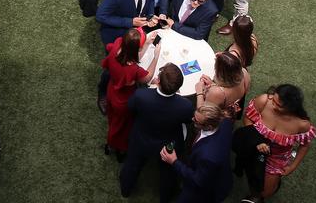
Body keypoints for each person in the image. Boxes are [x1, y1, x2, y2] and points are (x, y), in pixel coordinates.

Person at [119, 63, 194, 198]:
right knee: (168, 174)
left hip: (141, 139)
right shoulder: (186, 106)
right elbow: (188, 121)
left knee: (132, 165)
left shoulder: (141, 95)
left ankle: (125, 189)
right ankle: (166, 196)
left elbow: (130, 108)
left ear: (158, 80)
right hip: (168, 145)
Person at [234, 84, 316, 201]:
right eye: (273, 99)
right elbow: (248, 118)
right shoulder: (264, 101)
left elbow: (305, 145)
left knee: (266, 192)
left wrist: (292, 167)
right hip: (253, 147)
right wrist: (256, 141)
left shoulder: (302, 124)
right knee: (251, 175)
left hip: (276, 157)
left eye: (278, 105)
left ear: (291, 108)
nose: (272, 105)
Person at [101, 28, 163, 158]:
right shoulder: (133, 69)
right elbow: (148, 77)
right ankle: (117, 148)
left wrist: (146, 44)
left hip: (112, 90)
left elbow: (132, 56)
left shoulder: (118, 44)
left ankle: (111, 145)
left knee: (113, 121)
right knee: (123, 127)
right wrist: (156, 57)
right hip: (123, 101)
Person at [159, 102, 235, 203]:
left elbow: (198, 180)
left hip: (206, 189)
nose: (192, 120)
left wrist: (174, 161)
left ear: (209, 126)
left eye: (196, 120)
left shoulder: (208, 155)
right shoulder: (225, 122)